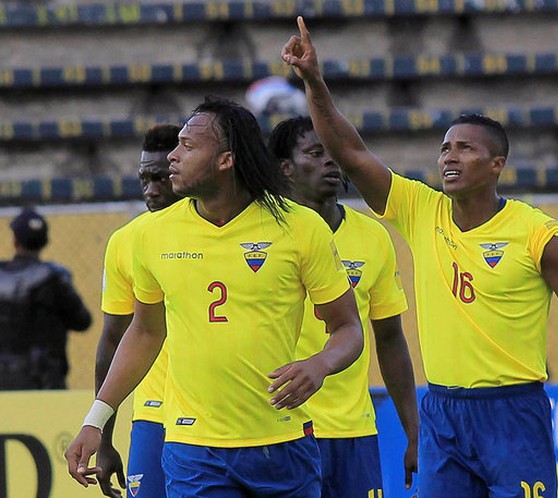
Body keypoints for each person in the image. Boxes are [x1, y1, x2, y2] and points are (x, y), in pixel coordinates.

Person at [282, 17, 558, 496]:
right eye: (444, 148)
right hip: (443, 413)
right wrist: (314, 82)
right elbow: (350, 153)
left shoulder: (535, 233)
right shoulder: (420, 209)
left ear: (496, 164)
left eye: (464, 148)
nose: (448, 158)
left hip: (513, 413)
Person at [65, 95, 364, 498]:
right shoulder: (151, 235)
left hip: (283, 442)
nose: (173, 156)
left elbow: (347, 328)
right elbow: (145, 333)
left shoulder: (300, 228)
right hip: (194, 449)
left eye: (188, 146)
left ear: (226, 160)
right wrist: (95, 420)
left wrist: (321, 364)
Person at [268, 116, 419, 496]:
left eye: (334, 153)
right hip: (280, 428)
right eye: (315, 153)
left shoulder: (373, 237)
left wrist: (414, 433)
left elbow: (389, 339)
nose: (330, 162)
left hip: (354, 432)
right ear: (286, 167)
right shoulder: (261, 235)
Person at [95, 124, 183, 498]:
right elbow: (113, 339)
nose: (151, 190)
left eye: (161, 178)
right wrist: (103, 436)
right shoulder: (125, 242)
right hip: (153, 414)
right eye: (145, 178)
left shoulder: (226, 232)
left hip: (220, 414)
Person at [0, 207, 92, 390]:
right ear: (45, 241)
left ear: (15, 241)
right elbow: (82, 321)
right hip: (45, 380)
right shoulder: (54, 278)